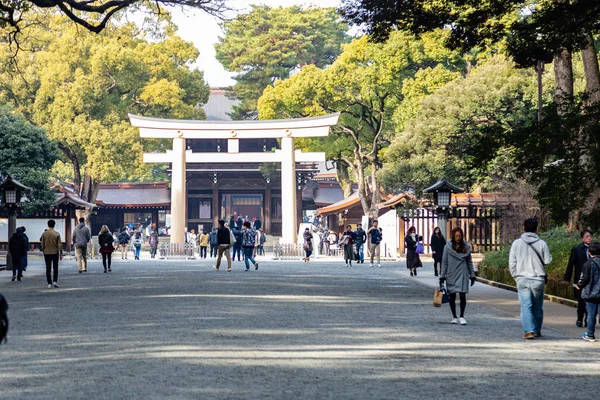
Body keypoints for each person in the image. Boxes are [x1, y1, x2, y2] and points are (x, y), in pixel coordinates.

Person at [509, 218, 552, 339]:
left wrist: (515, 276)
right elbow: (547, 261)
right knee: (537, 307)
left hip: (522, 278)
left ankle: (529, 331)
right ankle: (537, 330)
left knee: (526, 306)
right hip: (538, 279)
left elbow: (512, 262)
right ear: (536, 228)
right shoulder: (542, 243)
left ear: (523, 227)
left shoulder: (516, 243)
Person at [440, 227, 476, 325]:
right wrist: (442, 276)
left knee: (462, 295)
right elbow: (444, 263)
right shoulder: (447, 247)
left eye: (459, 236)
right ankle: (454, 316)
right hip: (451, 273)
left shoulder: (466, 247)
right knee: (452, 296)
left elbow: (469, 262)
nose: (458, 238)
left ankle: (462, 315)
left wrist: (472, 274)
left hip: (463, 273)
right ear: (453, 236)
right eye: (456, 236)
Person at [563, 229, 593, 327]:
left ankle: (588, 319)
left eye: (590, 236)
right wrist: (567, 278)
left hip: (592, 279)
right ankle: (580, 318)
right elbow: (571, 264)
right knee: (581, 300)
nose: (589, 238)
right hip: (579, 278)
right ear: (582, 238)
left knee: (590, 300)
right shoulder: (577, 249)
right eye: (587, 237)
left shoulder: (596, 248)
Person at [576, 242, 600, 342]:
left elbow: (585, 278)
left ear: (589, 252)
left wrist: (579, 285)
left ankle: (590, 334)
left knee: (591, 315)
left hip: (591, 294)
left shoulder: (588, 263)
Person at [40, 219, 63, 289]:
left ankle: (49, 282)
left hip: (47, 252)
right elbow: (60, 245)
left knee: (48, 268)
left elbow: (42, 244)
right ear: (54, 225)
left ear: (48, 225)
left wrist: (44, 249)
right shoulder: (56, 234)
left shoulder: (44, 234)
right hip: (55, 252)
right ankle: (55, 281)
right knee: (55, 267)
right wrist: (61, 253)